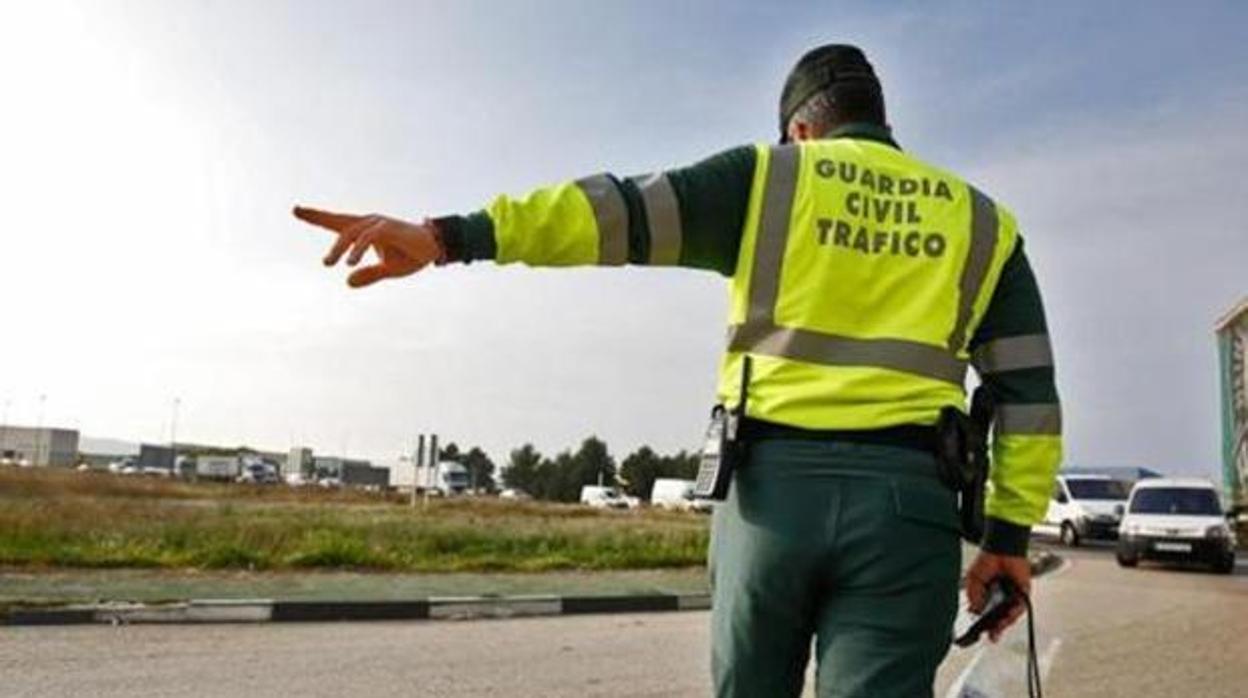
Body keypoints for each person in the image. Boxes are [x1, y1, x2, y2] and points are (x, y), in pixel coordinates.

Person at [294, 43, 1062, 698]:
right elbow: (1027, 396)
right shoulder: (982, 222)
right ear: (881, 122)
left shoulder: (769, 178)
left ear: (801, 128)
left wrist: (449, 237)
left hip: (770, 501)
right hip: (910, 510)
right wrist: (1007, 537)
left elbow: (608, 214)